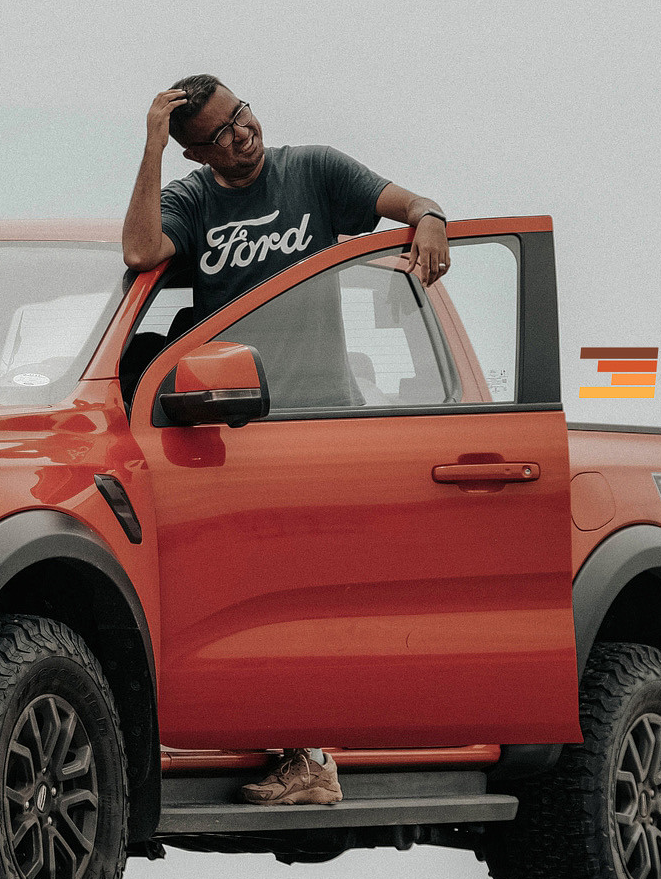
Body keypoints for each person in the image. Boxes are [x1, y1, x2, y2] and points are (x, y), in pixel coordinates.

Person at [122, 75, 451, 806]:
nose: (243, 134)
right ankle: (298, 746)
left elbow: (403, 202)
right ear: (195, 152)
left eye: (242, 116)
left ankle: (310, 755)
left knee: (302, 597)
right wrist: (150, 143)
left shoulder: (314, 171)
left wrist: (431, 216)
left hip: (324, 422)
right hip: (238, 424)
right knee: (258, 599)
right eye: (220, 133)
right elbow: (142, 251)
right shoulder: (196, 202)